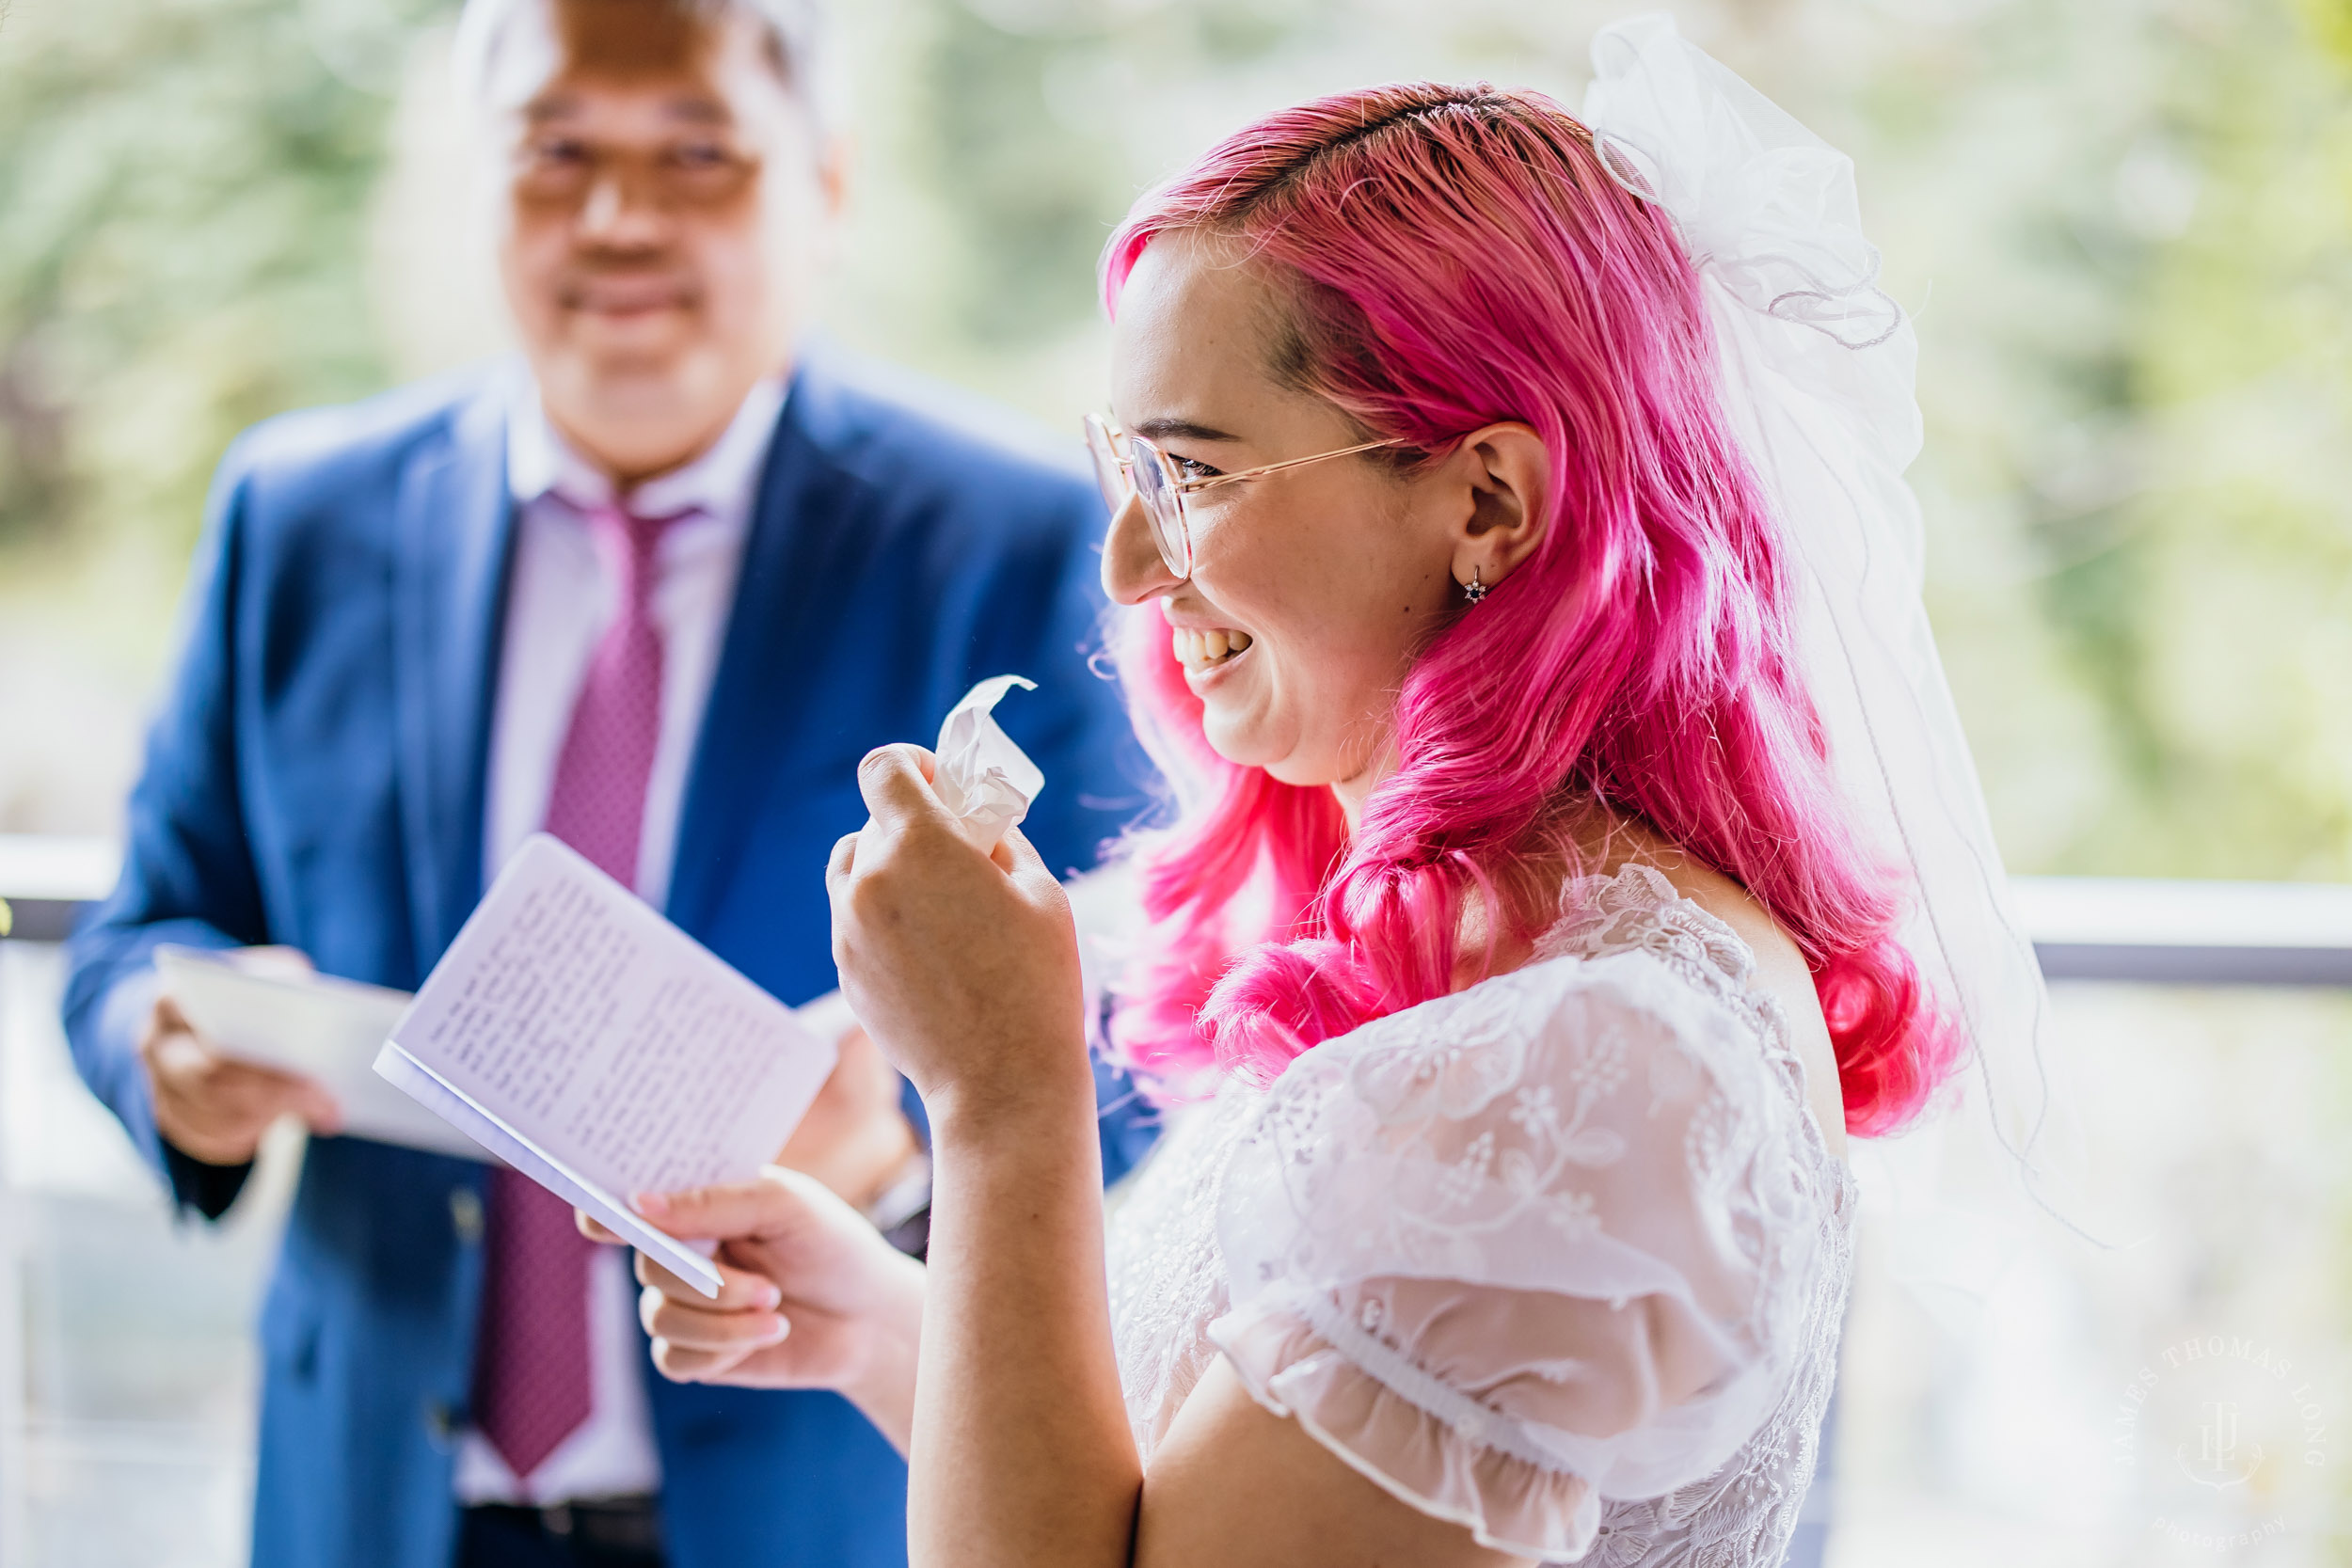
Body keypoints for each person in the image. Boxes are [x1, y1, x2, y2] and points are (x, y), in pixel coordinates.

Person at [611, 21, 2042, 1568]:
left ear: (1486, 499)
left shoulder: (1593, 1072)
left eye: (1197, 476)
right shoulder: (1506, 958)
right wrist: (885, 1326)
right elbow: (1176, 1510)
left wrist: (999, 1104)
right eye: (1129, 473)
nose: (1130, 565)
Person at [59, 1, 1155, 1565]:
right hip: (375, 1498)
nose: (621, 218)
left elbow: (1174, 980)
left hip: (823, 1501)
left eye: (695, 155)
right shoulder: (294, 519)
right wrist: (159, 1041)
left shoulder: (1012, 537)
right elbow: (140, 933)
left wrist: (921, 1122)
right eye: (557, 155)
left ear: (824, 187)